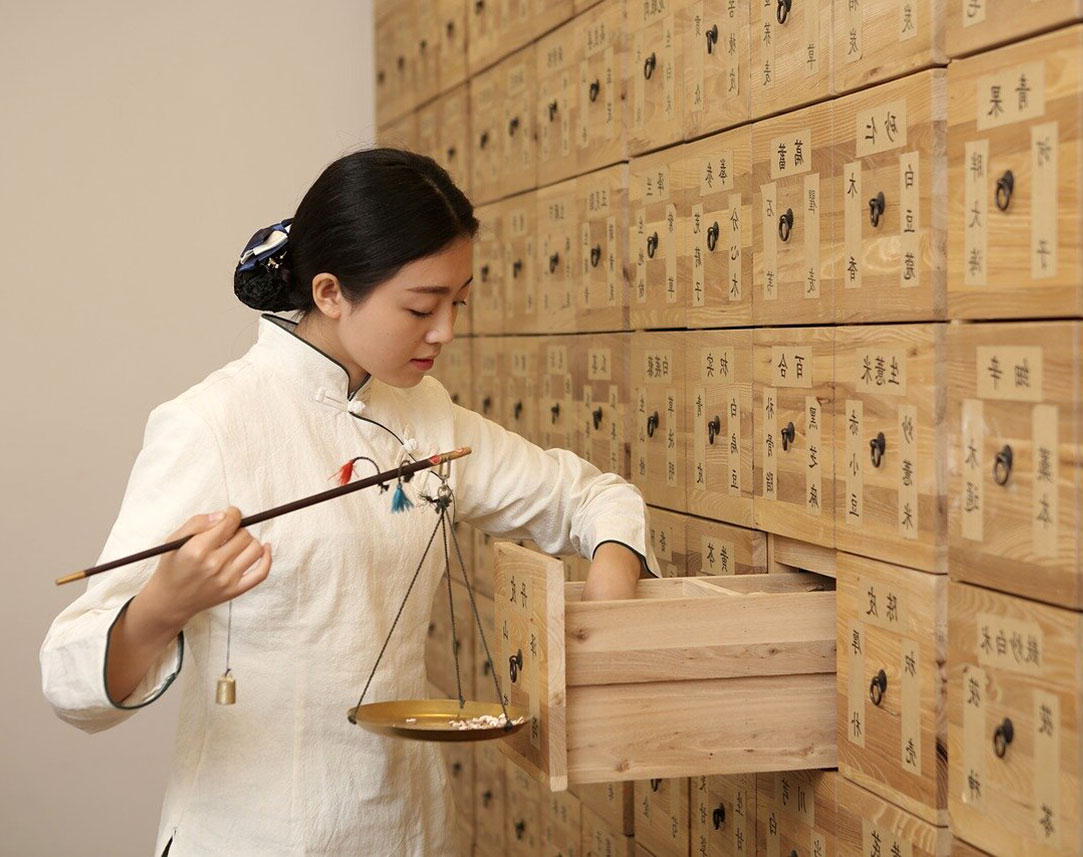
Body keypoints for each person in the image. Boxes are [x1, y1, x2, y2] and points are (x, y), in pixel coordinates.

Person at [40, 147, 659, 857]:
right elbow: (66, 676)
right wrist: (163, 604)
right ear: (331, 292)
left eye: (457, 302)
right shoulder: (212, 424)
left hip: (407, 827)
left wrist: (608, 606)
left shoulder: (428, 416)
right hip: (252, 834)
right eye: (421, 307)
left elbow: (588, 498)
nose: (446, 332)